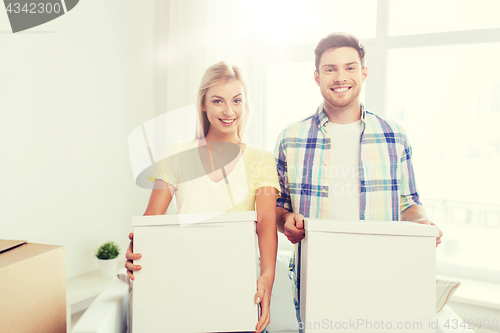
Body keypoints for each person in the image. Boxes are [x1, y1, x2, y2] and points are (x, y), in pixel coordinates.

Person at [273, 32, 443, 329]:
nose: (341, 77)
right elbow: (277, 207)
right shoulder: (290, 138)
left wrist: (423, 223)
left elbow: (408, 203)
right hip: (317, 278)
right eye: (330, 69)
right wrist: (286, 220)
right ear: (316, 77)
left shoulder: (394, 135)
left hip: (381, 275)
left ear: (363, 73)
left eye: (350, 67)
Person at [126, 62, 279, 333]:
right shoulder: (176, 154)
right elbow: (151, 220)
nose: (229, 111)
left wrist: (268, 276)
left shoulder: (261, 159)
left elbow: (266, 222)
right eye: (218, 101)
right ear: (204, 104)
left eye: (237, 101)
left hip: (238, 289)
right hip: (185, 284)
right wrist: (135, 251)